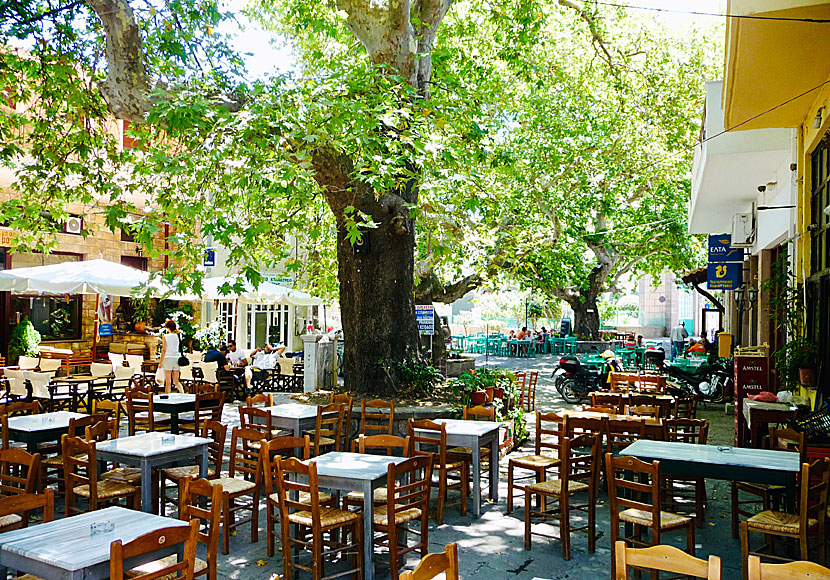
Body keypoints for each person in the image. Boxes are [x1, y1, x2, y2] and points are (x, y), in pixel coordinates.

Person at [159, 319, 184, 394]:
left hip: (168, 358)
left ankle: (168, 397)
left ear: (167, 328)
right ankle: (183, 393)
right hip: (176, 358)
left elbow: (164, 350)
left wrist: (161, 362)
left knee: (168, 382)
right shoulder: (179, 335)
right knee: (176, 381)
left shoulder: (165, 336)